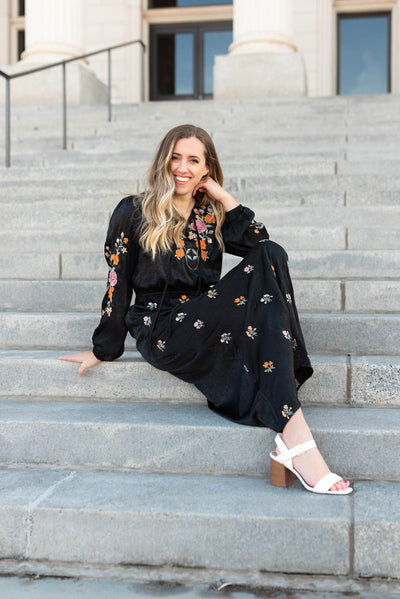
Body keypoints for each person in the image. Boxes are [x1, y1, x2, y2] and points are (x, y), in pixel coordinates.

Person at [59, 124, 352, 495]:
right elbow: (118, 280)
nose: (182, 167)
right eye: (175, 158)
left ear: (205, 168)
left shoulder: (209, 216)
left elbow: (260, 243)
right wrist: (104, 349)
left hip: (206, 315)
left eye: (193, 160)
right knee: (262, 299)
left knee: (271, 254)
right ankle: (297, 442)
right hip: (162, 326)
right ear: (163, 162)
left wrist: (219, 193)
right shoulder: (134, 211)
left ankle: (291, 440)